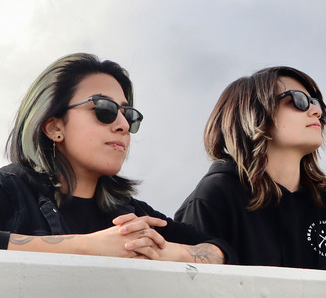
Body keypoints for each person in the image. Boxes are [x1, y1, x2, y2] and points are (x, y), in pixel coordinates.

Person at [0, 52, 230, 264]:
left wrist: (162, 252)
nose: (123, 125)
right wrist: (88, 246)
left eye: (128, 115)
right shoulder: (10, 190)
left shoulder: (131, 214)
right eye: (105, 109)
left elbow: (221, 251)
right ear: (54, 127)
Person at [175, 66, 326, 272]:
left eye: (316, 103)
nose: (317, 111)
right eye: (299, 100)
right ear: (254, 112)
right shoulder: (215, 196)